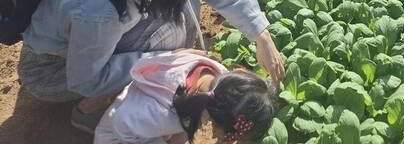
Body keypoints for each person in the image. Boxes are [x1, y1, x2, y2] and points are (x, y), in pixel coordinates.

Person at [18, 0, 285, 133]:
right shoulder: (100, 10)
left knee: (182, 11)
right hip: (49, 72)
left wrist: (261, 35)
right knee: (173, 32)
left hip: (82, 44)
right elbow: (86, 80)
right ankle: (89, 113)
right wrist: (165, 58)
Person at [94, 51, 274, 144]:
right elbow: (121, 122)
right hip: (117, 137)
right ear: (210, 121)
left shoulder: (216, 76)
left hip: (142, 115)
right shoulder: (163, 117)